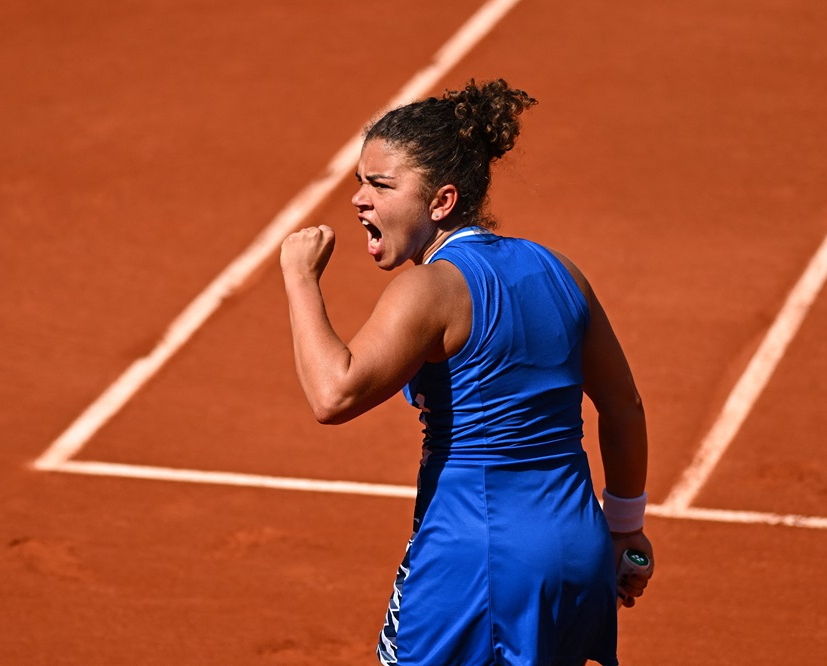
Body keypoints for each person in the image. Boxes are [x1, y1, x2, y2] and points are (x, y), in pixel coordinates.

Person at [279, 78, 653, 666]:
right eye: (359, 183)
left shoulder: (432, 290)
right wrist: (625, 529)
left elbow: (334, 394)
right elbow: (624, 405)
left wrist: (300, 279)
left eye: (380, 185)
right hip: (577, 548)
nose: (358, 199)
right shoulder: (560, 271)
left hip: (476, 560)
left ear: (441, 202)